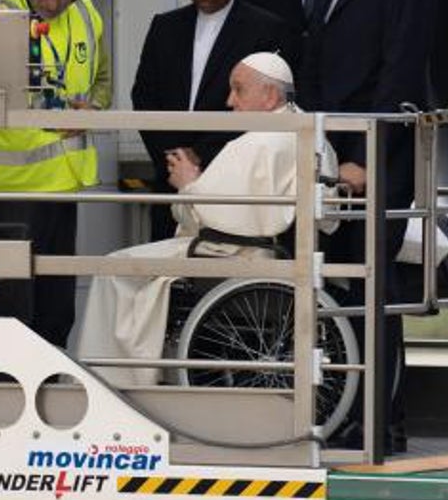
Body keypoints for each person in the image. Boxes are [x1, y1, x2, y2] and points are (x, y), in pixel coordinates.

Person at [78, 53, 337, 386]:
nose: (230, 101)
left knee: (113, 267)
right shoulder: (307, 131)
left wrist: (187, 182)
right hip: (268, 252)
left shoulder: (259, 142)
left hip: (232, 255)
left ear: (270, 95)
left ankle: (112, 382)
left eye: (238, 90)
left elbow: (207, 216)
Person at [310, 0, 438, 452]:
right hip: (336, 158)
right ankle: (351, 413)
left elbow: (400, 72)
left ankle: (381, 422)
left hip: (375, 163)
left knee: (372, 290)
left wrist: (365, 155)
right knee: (341, 289)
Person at [0, 0, 111, 348]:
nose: (54, 2)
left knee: (56, 309)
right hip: (8, 190)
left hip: (63, 186)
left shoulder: (86, 14)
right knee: (9, 308)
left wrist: (94, 110)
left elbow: (102, 82)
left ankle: (50, 390)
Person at [131, 0, 285, 241]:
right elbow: (144, 95)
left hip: (232, 182)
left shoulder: (265, 30)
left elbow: (263, 108)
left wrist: (201, 154)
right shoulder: (165, 26)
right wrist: (174, 155)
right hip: (169, 179)